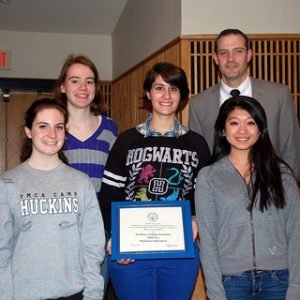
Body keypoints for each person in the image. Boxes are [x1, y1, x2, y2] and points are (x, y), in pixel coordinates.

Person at [99, 62, 211, 300]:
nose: (166, 95)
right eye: (159, 88)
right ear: (149, 93)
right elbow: (109, 194)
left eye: (173, 88)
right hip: (131, 252)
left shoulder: (197, 144)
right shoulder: (126, 140)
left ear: (182, 96)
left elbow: (206, 196)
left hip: (180, 251)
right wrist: (116, 239)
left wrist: (197, 221)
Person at [195, 95, 300, 300]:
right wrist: (215, 292)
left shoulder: (282, 174)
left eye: (251, 123)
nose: (242, 130)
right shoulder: (208, 176)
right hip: (230, 282)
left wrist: (296, 286)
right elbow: (207, 240)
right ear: (223, 130)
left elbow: (296, 232)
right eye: (234, 123)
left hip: (279, 280)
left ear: (260, 130)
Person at [0, 98, 105, 300]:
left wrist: (93, 295)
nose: (52, 134)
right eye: (43, 126)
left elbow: (93, 247)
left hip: (74, 293)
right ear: (29, 131)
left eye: (58, 127)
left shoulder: (81, 183)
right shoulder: (8, 183)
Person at [189, 28, 300, 181]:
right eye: (223, 53)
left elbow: (292, 148)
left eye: (238, 51)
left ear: (249, 55)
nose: (230, 59)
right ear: (215, 58)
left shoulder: (278, 95)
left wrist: (287, 189)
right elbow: (199, 158)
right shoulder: (198, 104)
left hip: (272, 188)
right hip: (219, 193)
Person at [53, 54, 118, 296]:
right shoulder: (52, 127)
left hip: (99, 228)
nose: (83, 88)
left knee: (95, 292)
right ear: (62, 86)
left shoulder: (110, 128)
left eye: (89, 81)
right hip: (60, 228)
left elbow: (116, 183)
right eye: (75, 81)